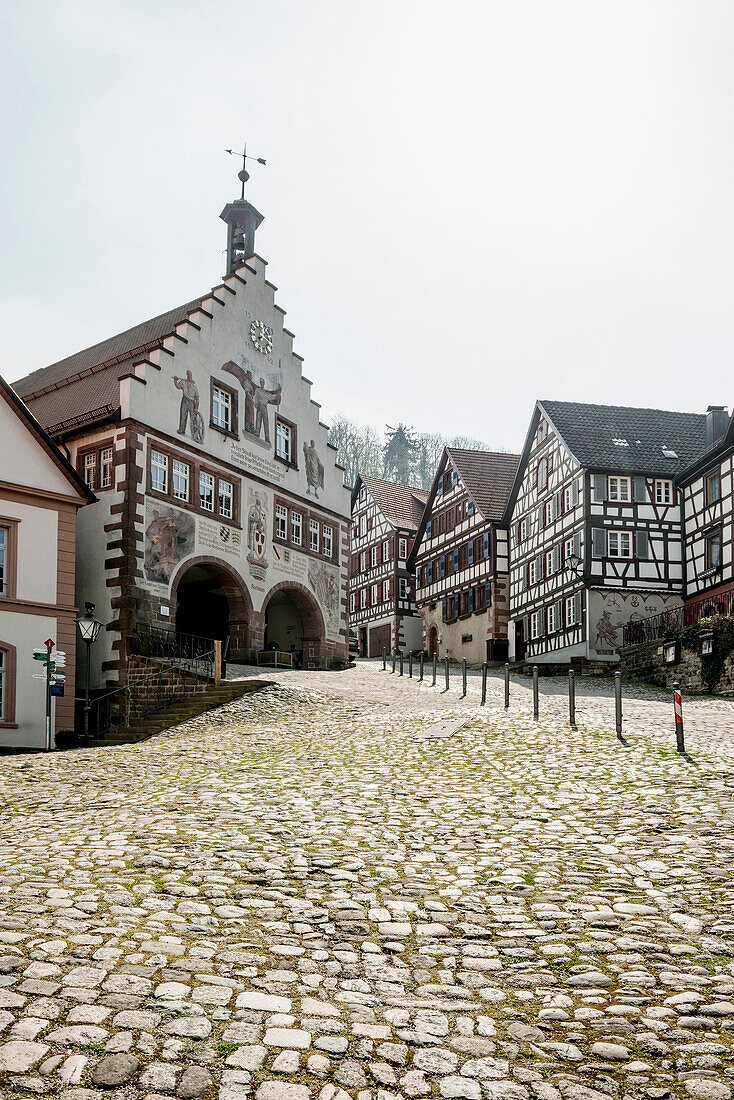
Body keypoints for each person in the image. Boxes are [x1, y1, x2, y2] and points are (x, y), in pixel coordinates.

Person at [253, 377, 282, 444]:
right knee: (258, 420)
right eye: (260, 382)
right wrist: (255, 403)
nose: (261, 383)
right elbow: (255, 397)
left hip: (264, 407)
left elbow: (271, 396)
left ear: (264, 383)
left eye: (262, 382)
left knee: (266, 422)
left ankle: (267, 437)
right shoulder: (257, 390)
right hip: (260, 406)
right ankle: (257, 433)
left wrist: (277, 395)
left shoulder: (265, 392)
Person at [173, 370, 199, 436]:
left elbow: (197, 399)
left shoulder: (194, 387)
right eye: (188, 375)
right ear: (187, 375)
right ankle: (181, 429)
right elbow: (178, 387)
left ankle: (195, 434)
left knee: (193, 418)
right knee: (183, 415)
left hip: (191, 402)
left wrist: (196, 408)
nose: (189, 376)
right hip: (184, 399)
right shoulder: (183, 382)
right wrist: (175, 381)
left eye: (190, 375)